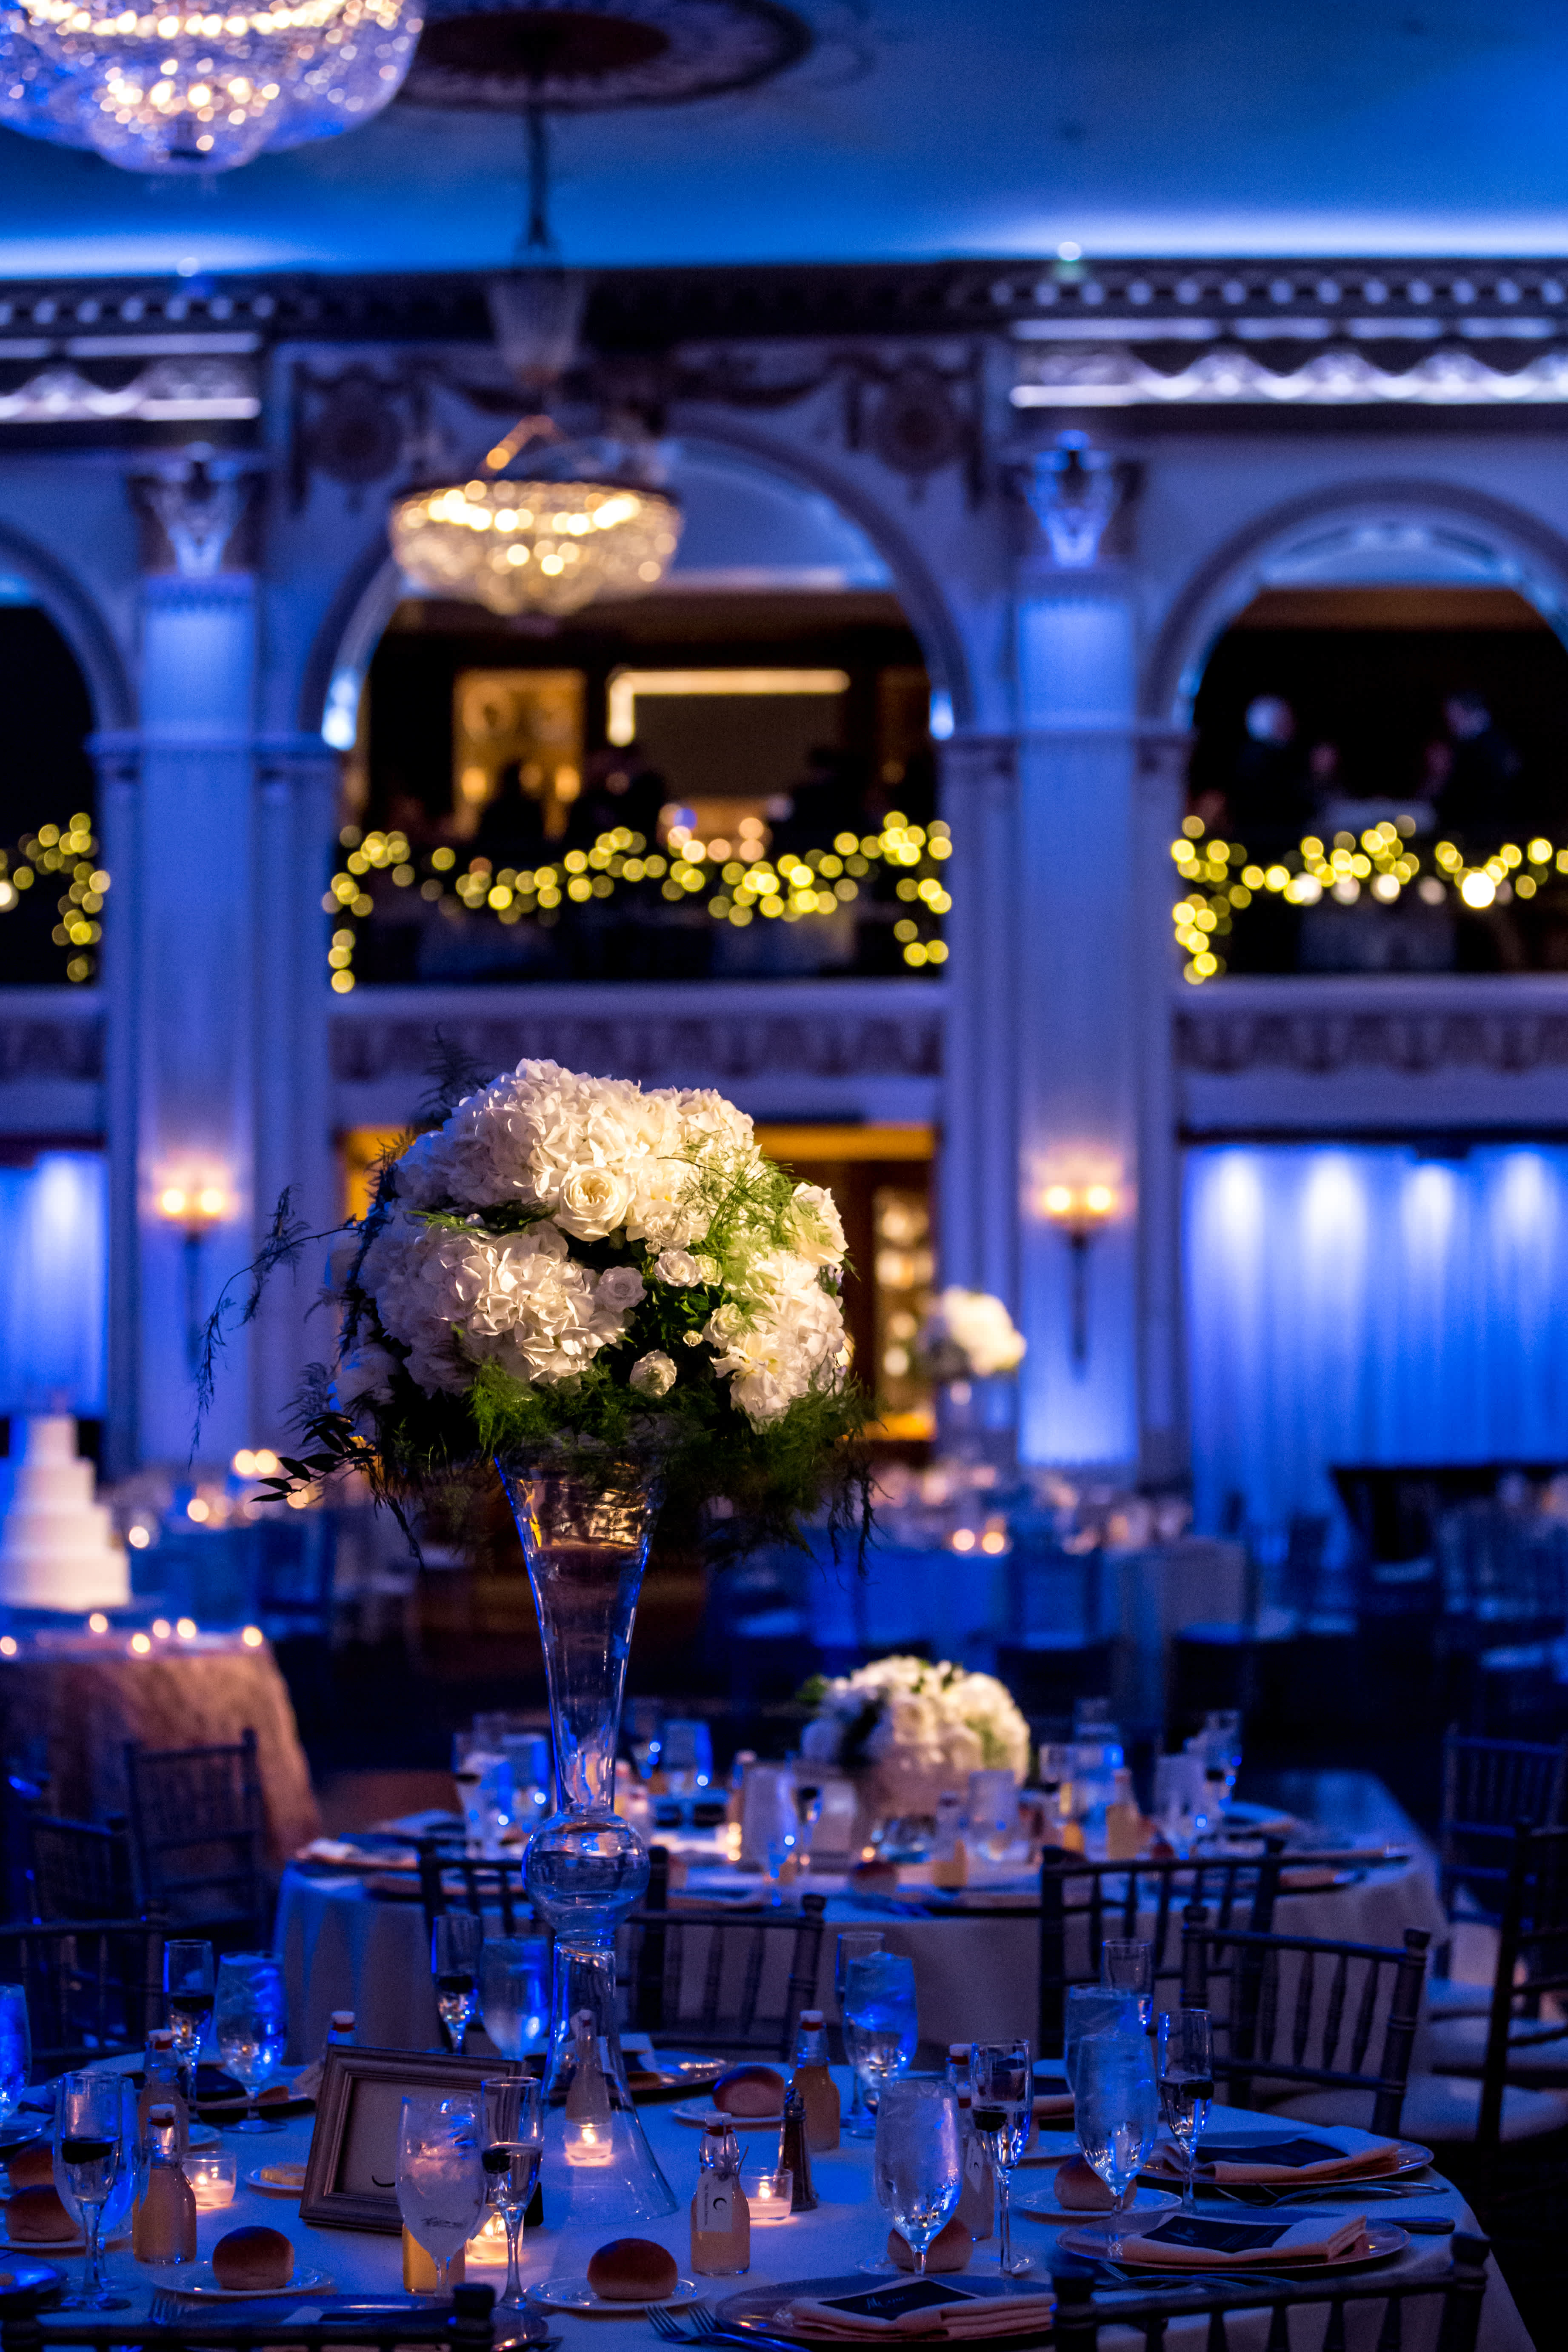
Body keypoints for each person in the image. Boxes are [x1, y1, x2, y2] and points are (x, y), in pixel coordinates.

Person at [1225, 694, 1315, 859]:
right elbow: (1286, 802)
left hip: (1271, 841)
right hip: (1268, 846)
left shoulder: (1278, 756)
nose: (1291, 725)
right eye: (1284, 720)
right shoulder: (1261, 759)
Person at [1436, 691, 1521, 843]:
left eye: (1453, 713)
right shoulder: (1473, 744)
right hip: (1482, 829)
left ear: (1466, 711)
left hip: (1484, 833)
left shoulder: (1487, 747)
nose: (1449, 721)